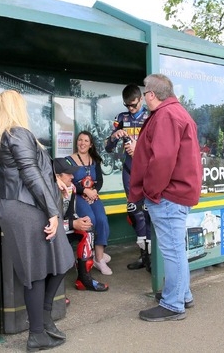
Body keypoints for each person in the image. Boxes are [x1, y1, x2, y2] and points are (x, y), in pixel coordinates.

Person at [0, 90, 73, 351]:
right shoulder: (18, 133)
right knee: (38, 270)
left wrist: (54, 180)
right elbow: (30, 174)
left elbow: (32, 171)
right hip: (28, 207)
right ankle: (37, 332)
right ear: (17, 107)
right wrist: (52, 212)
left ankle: (44, 321)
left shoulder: (2, 136)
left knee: (56, 262)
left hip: (17, 206)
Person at [130, 74, 202, 322]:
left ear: (151, 95)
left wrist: (150, 191)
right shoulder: (176, 112)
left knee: (172, 251)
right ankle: (183, 294)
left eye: (145, 95)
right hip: (176, 193)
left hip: (168, 195)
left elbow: (161, 160)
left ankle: (173, 304)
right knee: (176, 249)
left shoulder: (166, 115)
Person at [105, 83, 151, 271]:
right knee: (134, 211)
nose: (131, 109)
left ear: (141, 99)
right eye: (127, 106)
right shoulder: (122, 118)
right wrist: (115, 136)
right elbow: (107, 148)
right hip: (129, 170)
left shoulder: (151, 117)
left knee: (149, 213)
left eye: (134, 105)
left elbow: (159, 148)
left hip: (148, 171)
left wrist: (138, 148)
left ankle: (152, 257)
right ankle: (143, 255)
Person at [54, 157, 109, 292]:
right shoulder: (49, 190)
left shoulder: (71, 187)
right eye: (68, 174)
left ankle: (84, 280)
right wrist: (73, 224)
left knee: (87, 229)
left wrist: (80, 221)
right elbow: (47, 223)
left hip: (63, 225)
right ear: (57, 176)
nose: (72, 177)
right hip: (49, 230)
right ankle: (55, 292)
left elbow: (70, 214)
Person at [66, 131, 112, 275]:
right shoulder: (69, 160)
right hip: (78, 196)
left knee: (102, 220)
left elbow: (99, 181)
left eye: (86, 141)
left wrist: (94, 192)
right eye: (80, 140)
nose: (82, 143)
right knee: (89, 219)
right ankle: (87, 256)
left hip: (93, 195)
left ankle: (99, 258)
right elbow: (69, 182)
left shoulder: (95, 160)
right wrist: (85, 191)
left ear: (91, 144)